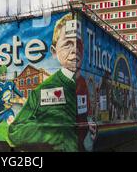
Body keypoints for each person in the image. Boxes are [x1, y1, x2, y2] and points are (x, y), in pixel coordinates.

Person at [8, 13, 97, 152]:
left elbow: (84, 115)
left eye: (78, 43)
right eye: (68, 44)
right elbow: (14, 131)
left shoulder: (82, 82)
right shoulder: (42, 91)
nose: (75, 50)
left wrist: (88, 124)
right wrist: (52, 132)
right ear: (54, 52)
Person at [0, 64, 24, 137]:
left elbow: (16, 90)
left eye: (5, 74)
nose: (4, 76)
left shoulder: (10, 83)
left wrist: (22, 97)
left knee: (11, 120)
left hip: (8, 110)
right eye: (2, 75)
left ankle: (15, 138)